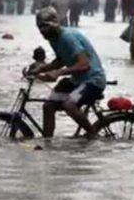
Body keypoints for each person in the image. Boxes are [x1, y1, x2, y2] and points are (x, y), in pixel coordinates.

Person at [30, 7, 107, 139]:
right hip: (77, 80)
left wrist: (58, 73)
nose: (42, 31)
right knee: (48, 106)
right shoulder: (53, 38)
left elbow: (84, 64)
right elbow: (61, 60)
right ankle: (47, 142)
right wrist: (42, 69)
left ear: (54, 24)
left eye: (45, 26)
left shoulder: (68, 37)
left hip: (93, 80)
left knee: (69, 105)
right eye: (40, 27)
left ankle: (93, 134)